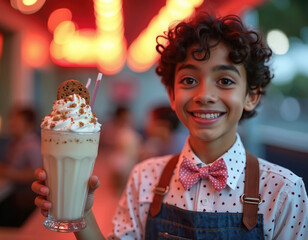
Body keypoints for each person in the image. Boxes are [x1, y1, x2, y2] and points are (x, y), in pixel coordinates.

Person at [32, 12, 308, 239]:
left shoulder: (283, 191)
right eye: (189, 80)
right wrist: (80, 213)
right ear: (172, 95)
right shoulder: (144, 178)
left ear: (251, 96)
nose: (204, 95)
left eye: (225, 81)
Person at [0, 106, 42, 227]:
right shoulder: (15, 142)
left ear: (28, 124)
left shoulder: (32, 145)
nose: (11, 123)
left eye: (16, 121)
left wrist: (8, 172)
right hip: (12, 193)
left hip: (23, 199)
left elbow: (35, 174)